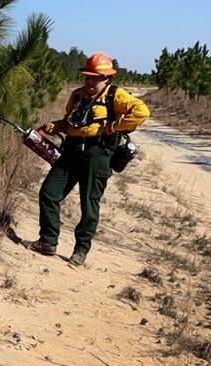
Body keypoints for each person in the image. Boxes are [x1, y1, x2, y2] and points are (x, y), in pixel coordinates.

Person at [25, 52, 150, 266]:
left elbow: (142, 113)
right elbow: (69, 122)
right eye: (88, 77)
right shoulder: (77, 95)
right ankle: (47, 241)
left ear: (107, 78)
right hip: (71, 151)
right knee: (49, 193)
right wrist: (56, 126)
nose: (91, 82)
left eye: (96, 78)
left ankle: (81, 250)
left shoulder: (115, 95)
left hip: (98, 155)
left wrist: (112, 127)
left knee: (89, 204)